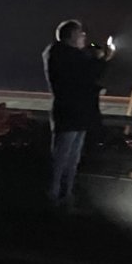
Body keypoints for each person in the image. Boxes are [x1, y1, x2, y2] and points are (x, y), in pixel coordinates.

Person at [41, 19, 115, 211]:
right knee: (62, 156)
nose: (84, 37)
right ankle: (55, 195)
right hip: (71, 112)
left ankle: (64, 193)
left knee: (71, 157)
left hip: (77, 113)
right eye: (81, 34)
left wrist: (97, 55)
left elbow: (85, 73)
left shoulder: (64, 54)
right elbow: (86, 74)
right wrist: (103, 59)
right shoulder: (64, 55)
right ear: (72, 35)